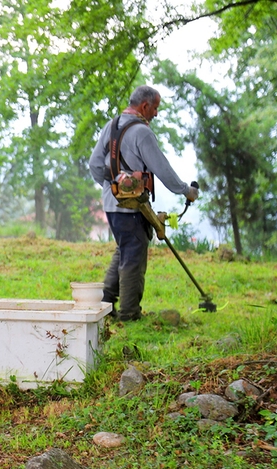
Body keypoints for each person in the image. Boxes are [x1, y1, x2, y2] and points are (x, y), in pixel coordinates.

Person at [88, 85, 199, 322]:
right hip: (132, 207)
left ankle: (106, 301)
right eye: (156, 108)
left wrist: (113, 187)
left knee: (125, 247)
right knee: (134, 254)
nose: (156, 114)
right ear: (145, 106)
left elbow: (95, 165)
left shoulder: (111, 125)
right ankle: (128, 313)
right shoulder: (142, 132)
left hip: (111, 204)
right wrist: (185, 191)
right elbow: (162, 168)